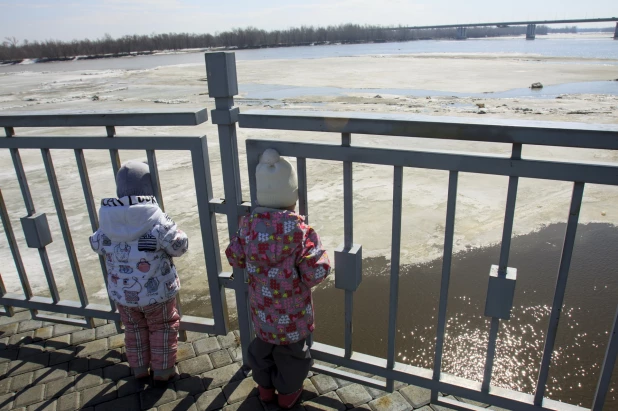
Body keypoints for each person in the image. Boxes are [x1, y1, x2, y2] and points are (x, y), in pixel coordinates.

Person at [226, 149, 331, 409]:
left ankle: (264, 390)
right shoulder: (300, 231)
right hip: (293, 315)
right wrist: (326, 261)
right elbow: (313, 272)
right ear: (292, 196)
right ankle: (287, 395)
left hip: (262, 311)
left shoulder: (248, 225)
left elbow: (235, 257)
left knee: (262, 350)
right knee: (293, 355)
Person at [89, 160, 188, 384]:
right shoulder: (156, 218)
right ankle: (163, 370)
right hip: (158, 292)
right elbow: (179, 246)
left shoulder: (108, 220)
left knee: (134, 328)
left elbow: (96, 244)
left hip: (124, 294)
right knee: (162, 327)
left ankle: (139, 368)